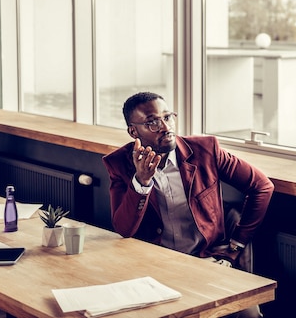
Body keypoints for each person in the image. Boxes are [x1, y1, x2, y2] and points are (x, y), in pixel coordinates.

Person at [102, 91, 274, 318]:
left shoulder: (205, 151)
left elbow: (262, 186)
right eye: (152, 121)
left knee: (248, 314)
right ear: (134, 131)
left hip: (207, 260)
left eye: (168, 117)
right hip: (153, 267)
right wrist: (141, 181)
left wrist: (235, 246)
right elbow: (124, 229)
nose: (165, 127)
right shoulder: (119, 164)